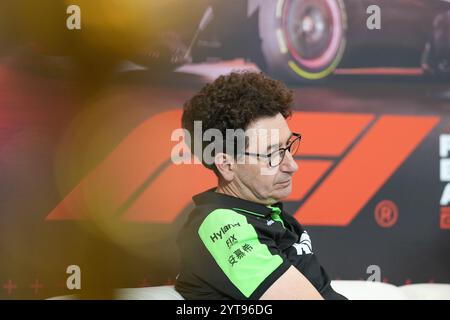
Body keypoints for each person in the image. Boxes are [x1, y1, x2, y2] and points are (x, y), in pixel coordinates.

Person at [175, 71, 346, 300]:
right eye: (272, 154)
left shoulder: (272, 213)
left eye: (287, 146)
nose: (292, 165)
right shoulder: (220, 224)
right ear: (226, 165)